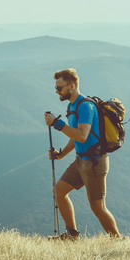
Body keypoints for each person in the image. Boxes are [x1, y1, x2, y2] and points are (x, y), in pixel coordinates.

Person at [44, 68, 121, 240]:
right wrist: (61, 154)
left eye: (60, 88)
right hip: (81, 162)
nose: (57, 91)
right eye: (56, 88)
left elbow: (82, 135)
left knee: (98, 208)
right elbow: (75, 136)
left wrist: (57, 123)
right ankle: (72, 235)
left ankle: (118, 241)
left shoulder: (85, 106)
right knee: (59, 191)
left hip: (94, 163)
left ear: (71, 86)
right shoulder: (72, 106)